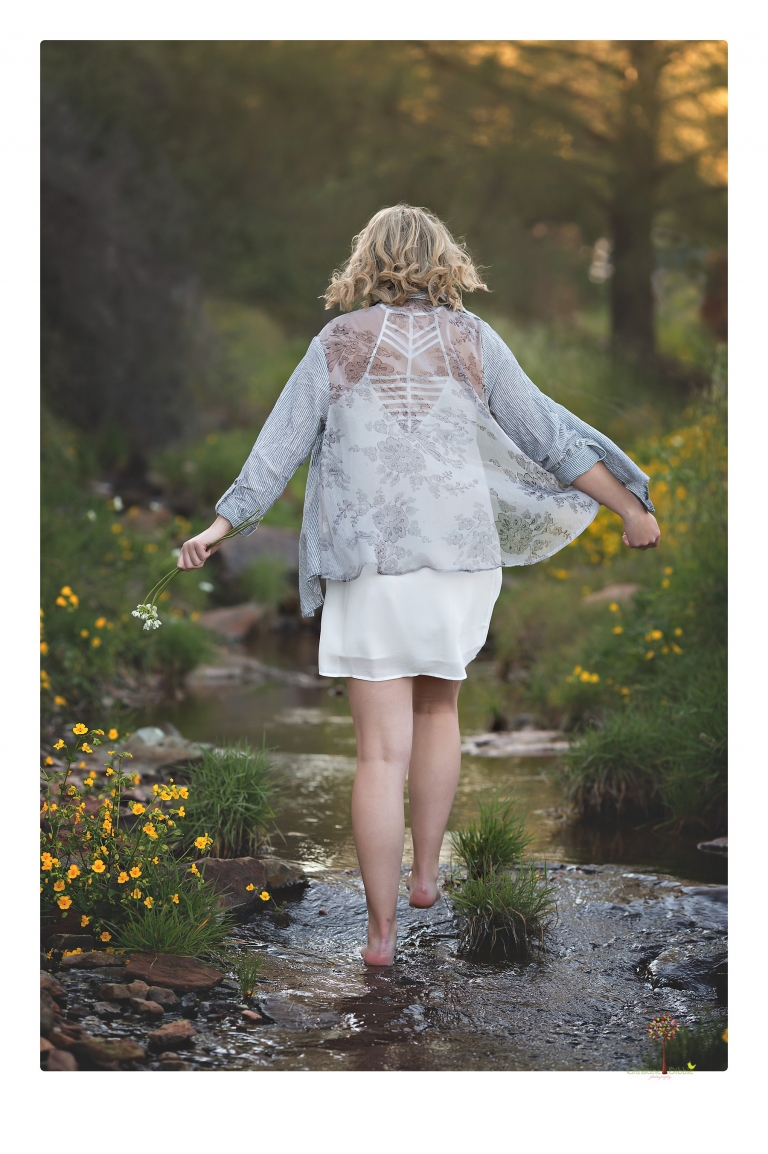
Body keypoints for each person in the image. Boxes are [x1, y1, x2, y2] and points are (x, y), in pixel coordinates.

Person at [178, 204, 660, 966]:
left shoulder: (337, 344)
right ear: (444, 260)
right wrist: (629, 506)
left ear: (366, 261)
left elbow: (278, 451)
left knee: (377, 755)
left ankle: (379, 935)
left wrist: (219, 527)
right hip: (459, 562)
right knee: (440, 709)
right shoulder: (473, 340)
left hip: (370, 566)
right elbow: (549, 436)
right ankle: (427, 875)